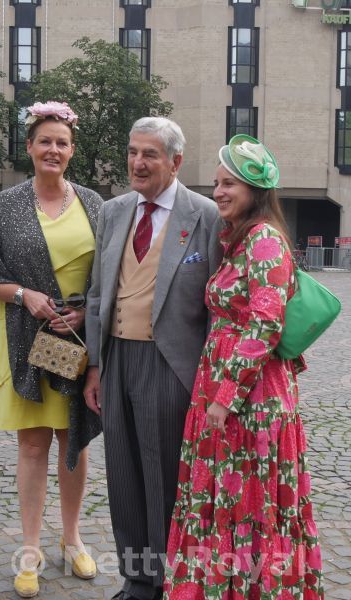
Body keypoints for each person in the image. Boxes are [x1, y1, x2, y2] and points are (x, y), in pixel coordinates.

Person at [163, 135, 324, 599]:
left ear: (255, 189)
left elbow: (265, 326)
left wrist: (225, 394)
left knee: (250, 505)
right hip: (224, 393)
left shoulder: (265, 240)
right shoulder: (240, 240)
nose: (218, 193)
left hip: (250, 403)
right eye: (216, 183)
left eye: (229, 183)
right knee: (224, 502)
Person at [0, 101, 103, 598]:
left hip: (78, 342)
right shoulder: (6, 204)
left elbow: (108, 278)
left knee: (74, 442)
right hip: (27, 341)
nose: (53, 149)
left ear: (71, 151)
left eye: (61, 143)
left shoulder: (93, 203)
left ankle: (72, 538)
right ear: (29, 147)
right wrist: (25, 295)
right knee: (32, 444)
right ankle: (29, 547)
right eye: (44, 141)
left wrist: (87, 311)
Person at [84, 116, 222, 600]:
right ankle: (137, 579)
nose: (137, 163)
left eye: (150, 155)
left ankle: (172, 579)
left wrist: (211, 383)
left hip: (173, 366)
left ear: (176, 161)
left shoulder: (204, 215)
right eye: (132, 152)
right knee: (122, 473)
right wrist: (96, 367)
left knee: (164, 475)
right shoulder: (114, 211)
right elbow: (100, 292)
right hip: (118, 356)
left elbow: (216, 307)